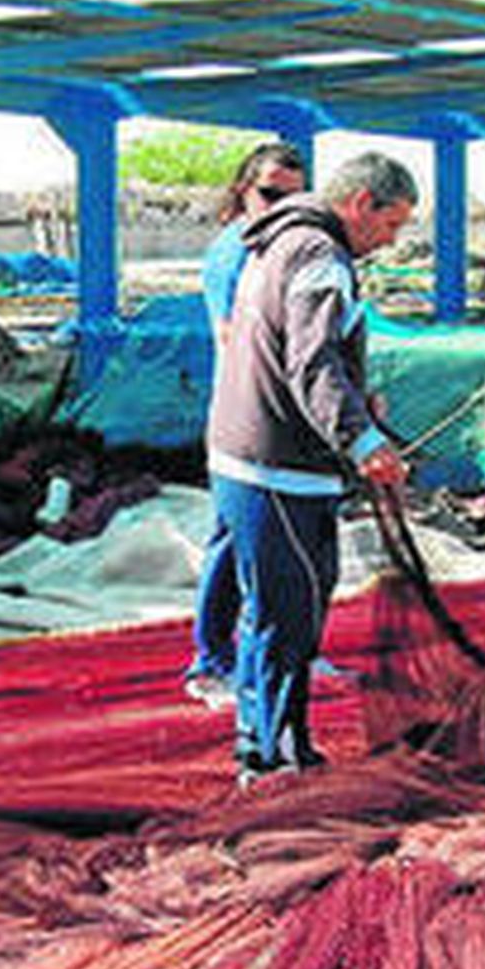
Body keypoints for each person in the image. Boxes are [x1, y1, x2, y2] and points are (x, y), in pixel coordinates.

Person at [206, 150, 418, 783]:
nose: (391, 240)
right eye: (391, 224)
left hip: (247, 455)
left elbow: (297, 355)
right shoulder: (320, 256)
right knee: (287, 616)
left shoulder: (280, 242)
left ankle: (263, 743)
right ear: (361, 203)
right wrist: (361, 440)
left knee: (269, 610)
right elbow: (311, 361)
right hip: (277, 467)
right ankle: (274, 759)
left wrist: (357, 401)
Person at [185, 140, 308, 705]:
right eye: (270, 195)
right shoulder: (233, 254)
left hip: (273, 417)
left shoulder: (278, 250)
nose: (281, 208)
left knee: (270, 544)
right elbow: (232, 338)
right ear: (243, 192)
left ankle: (278, 649)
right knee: (235, 538)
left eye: (294, 198)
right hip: (246, 420)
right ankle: (212, 659)